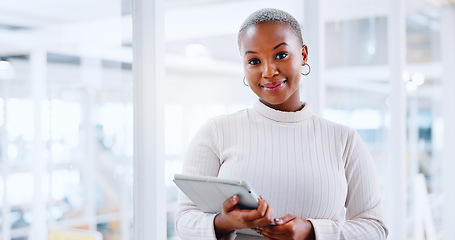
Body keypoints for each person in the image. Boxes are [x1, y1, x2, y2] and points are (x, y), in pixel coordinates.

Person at [175, 8, 388, 240]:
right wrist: (223, 223)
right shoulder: (216, 132)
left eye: (281, 55)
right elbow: (185, 219)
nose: (269, 71)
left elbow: (374, 227)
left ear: (304, 54)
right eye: (254, 61)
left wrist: (310, 231)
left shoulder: (344, 140)